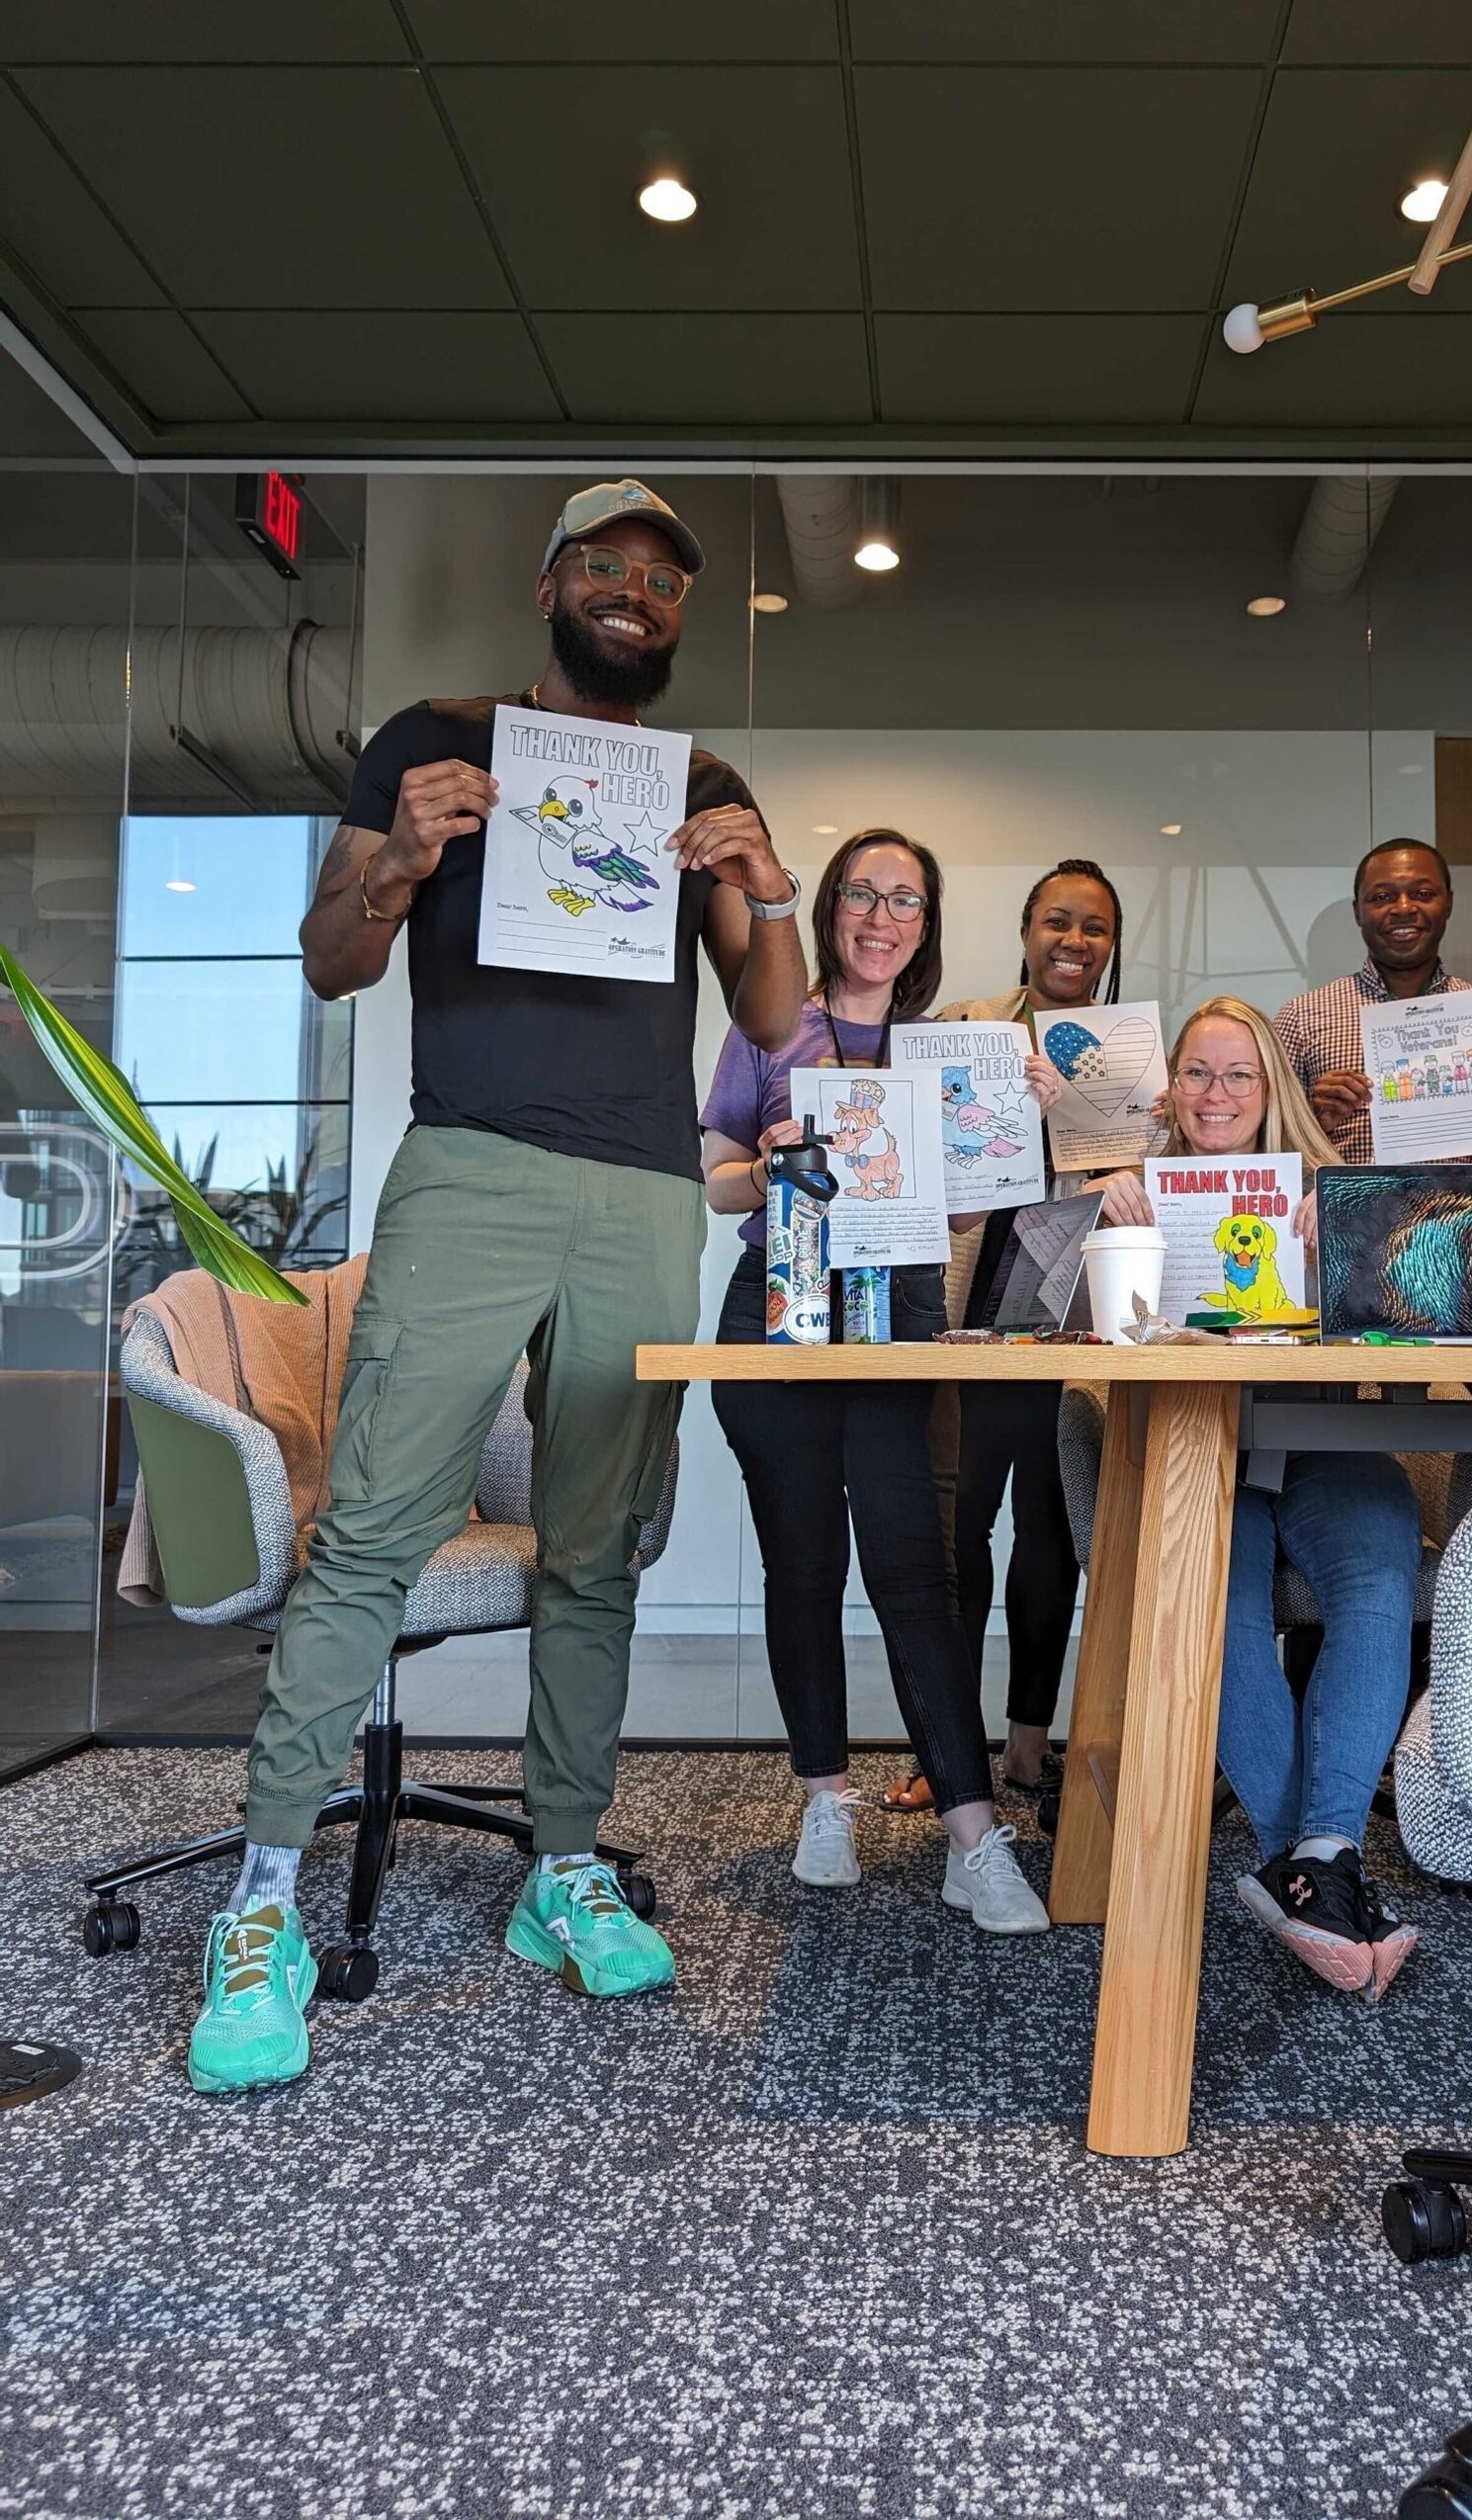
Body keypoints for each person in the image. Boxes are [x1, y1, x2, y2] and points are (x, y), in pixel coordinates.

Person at [187, 480, 812, 2097]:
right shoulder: (431, 737)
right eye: (607, 565)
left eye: (665, 577)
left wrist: (764, 884)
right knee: (376, 1526)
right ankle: (259, 1903)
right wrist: (401, 850)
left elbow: (768, 1015)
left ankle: (564, 1866)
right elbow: (332, 956)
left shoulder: (703, 779)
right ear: (551, 585)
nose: (637, 590)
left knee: (596, 1542)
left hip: (643, 1187)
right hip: (467, 1166)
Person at [699, 829, 1049, 1935]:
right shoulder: (771, 1024)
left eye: (906, 899)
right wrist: (769, 1167)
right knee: (800, 1562)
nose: (881, 915)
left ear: (927, 924)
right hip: (781, 1303)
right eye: (861, 891)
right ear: (830, 907)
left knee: (915, 1566)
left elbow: (958, 1211)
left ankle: (973, 1835)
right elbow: (714, 1181)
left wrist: (1023, 1117)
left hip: (896, 1308)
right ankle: (824, 1800)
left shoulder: (954, 1045)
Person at [1094, 996, 1423, 1998]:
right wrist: (1101, 1229)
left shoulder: (1343, 1191)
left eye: (1240, 1073)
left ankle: (1312, 1857)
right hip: (1200, 1452)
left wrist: (1358, 1244)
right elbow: (1064, 1331)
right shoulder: (1129, 1187)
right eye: (1198, 1071)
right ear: (1171, 1086)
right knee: (1218, 1601)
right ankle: (1319, 1865)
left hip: (1327, 1441)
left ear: (1272, 1085)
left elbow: (1423, 1324)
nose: (1218, 1093)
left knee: (1375, 1581)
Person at [882, 859, 1138, 1819]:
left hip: (1072, 1321)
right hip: (968, 1315)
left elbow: (1147, 1178)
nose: (1076, 941)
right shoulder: (962, 1029)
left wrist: (1073, 1109)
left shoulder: (1127, 1054)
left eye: (1096, 928)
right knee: (954, 1538)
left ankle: (1030, 1747)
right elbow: (916, 1154)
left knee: (1050, 1537)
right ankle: (942, 1751)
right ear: (1027, 930)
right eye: (1059, 922)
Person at [1271, 840, 1472, 1165]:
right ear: (1358, 912)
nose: (1404, 908)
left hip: (1471, 1214)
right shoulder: (1302, 1019)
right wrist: (1311, 1122)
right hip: (1352, 1215)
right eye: (1382, 897)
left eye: (1423, 894)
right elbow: (1268, 1158)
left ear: (1448, 904)